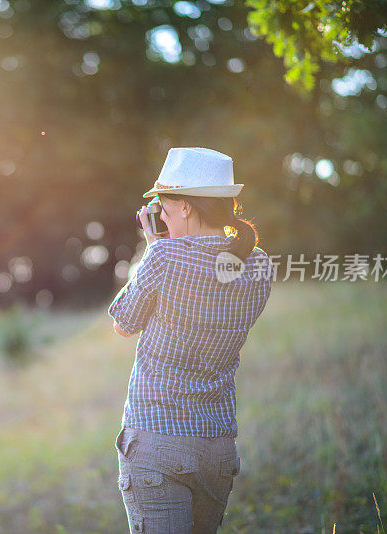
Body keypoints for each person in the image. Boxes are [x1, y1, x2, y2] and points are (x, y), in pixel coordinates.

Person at [108, 147, 272, 533]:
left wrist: (154, 251)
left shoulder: (164, 257)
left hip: (156, 441)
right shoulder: (260, 263)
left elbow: (123, 323)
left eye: (163, 206)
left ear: (184, 206)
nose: (159, 216)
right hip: (217, 445)